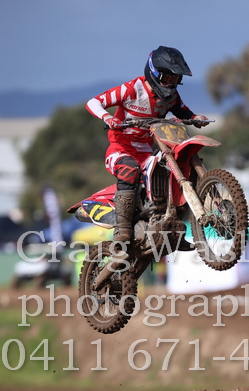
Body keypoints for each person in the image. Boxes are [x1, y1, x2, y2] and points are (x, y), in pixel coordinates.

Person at [86, 45, 207, 247]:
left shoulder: (171, 96)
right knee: (130, 170)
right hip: (120, 150)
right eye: (166, 78)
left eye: (175, 79)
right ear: (153, 72)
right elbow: (93, 102)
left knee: (175, 171)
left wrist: (195, 118)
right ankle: (123, 229)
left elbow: (182, 110)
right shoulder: (132, 89)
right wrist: (108, 117)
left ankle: (173, 229)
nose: (170, 83)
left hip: (146, 152)